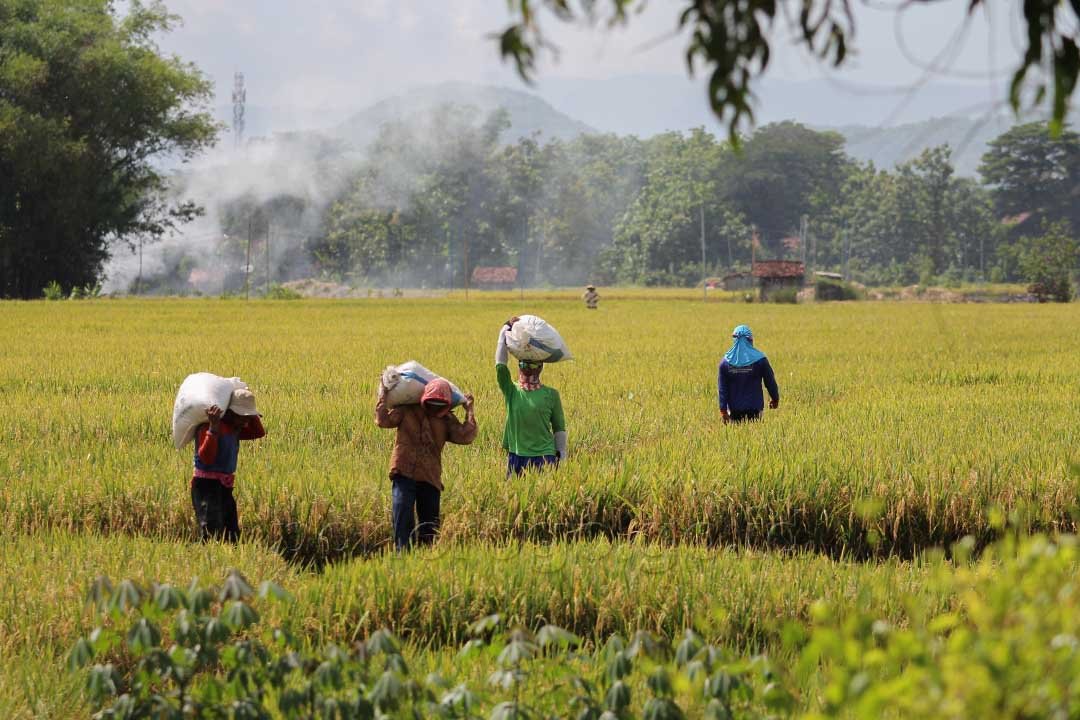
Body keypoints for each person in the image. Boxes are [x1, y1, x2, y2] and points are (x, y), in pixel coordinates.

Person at [375, 378, 476, 550]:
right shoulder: (406, 410)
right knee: (402, 518)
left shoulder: (446, 419)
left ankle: (424, 563)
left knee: (429, 529)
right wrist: (383, 395)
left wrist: (470, 411)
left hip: (429, 477)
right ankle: (402, 559)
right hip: (404, 471)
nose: (434, 408)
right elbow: (382, 420)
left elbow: (466, 436)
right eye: (431, 403)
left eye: (439, 405)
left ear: (445, 405)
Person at [192, 388, 265, 542]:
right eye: (242, 416)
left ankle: (230, 559)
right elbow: (206, 458)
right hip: (206, 487)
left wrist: (249, 414)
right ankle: (208, 561)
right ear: (230, 413)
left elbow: (259, 432)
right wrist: (213, 427)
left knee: (232, 532)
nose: (246, 421)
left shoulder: (235, 428)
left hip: (224, 487)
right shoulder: (210, 427)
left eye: (248, 417)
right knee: (211, 530)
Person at [496, 317, 567, 475]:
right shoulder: (511, 391)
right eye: (523, 364)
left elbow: (559, 427)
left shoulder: (551, 395)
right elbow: (500, 366)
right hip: (517, 456)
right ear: (519, 366)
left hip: (544, 458)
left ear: (540, 367)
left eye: (533, 364)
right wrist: (504, 329)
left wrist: (562, 454)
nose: (528, 368)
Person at [718, 324, 779, 423]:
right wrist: (775, 399)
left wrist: (723, 410)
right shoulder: (760, 360)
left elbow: (722, 389)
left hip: (734, 411)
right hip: (755, 409)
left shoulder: (725, 363)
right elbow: (770, 382)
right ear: (750, 340)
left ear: (735, 340)